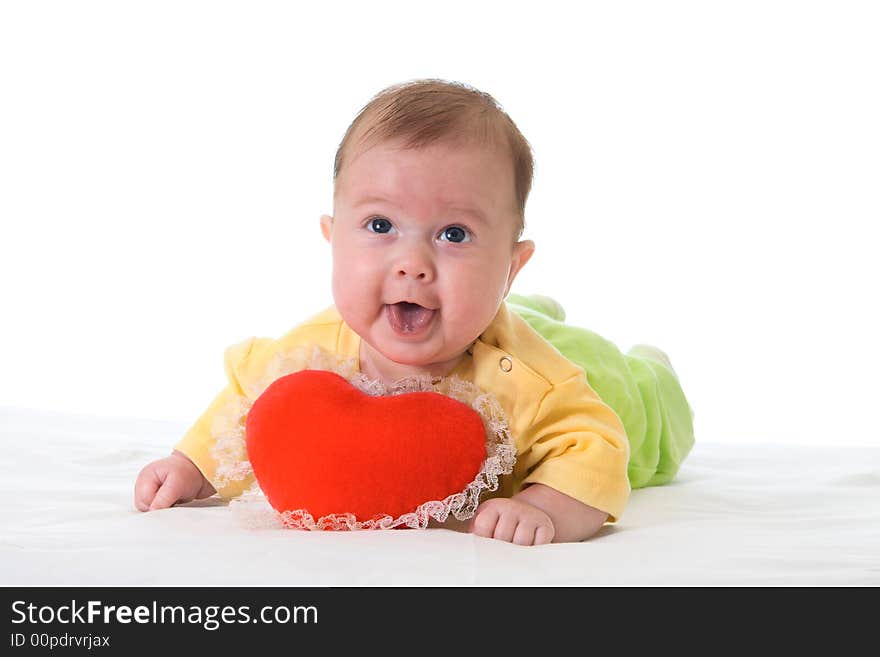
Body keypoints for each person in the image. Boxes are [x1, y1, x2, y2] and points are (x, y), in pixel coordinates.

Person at [134, 79, 694, 545]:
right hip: (487, 310)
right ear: (333, 240)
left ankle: (650, 368)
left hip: (599, 380)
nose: (413, 264)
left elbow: (597, 446)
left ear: (510, 266)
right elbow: (243, 405)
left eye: (454, 234)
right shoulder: (308, 355)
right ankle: (530, 308)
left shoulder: (536, 383)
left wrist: (545, 505)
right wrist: (192, 468)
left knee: (644, 416)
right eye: (381, 227)